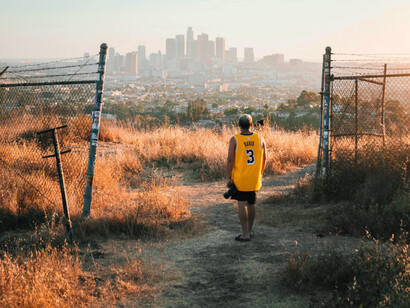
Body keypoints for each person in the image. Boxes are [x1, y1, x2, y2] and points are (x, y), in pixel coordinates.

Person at [226, 114, 267, 242]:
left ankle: (245, 234)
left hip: (241, 178)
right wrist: (260, 173)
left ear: (238, 125)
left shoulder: (235, 139)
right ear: (250, 125)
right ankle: (250, 230)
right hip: (254, 178)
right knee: (252, 203)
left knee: (241, 204)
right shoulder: (259, 137)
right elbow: (265, 157)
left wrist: (228, 177)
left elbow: (230, 160)